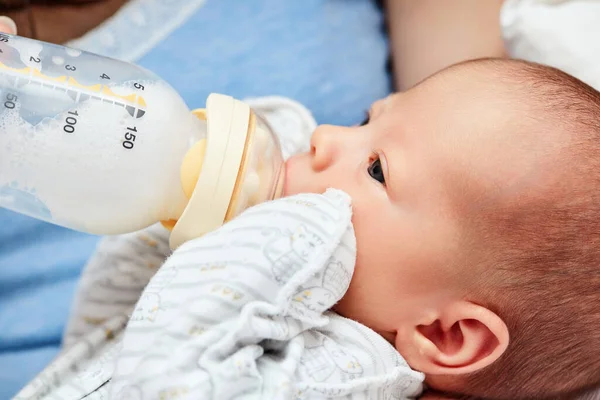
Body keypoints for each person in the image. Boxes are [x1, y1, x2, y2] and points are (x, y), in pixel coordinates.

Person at [14, 58, 600, 400]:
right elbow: (117, 324)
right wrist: (188, 194)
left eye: (376, 168)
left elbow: (167, 385)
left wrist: (281, 231)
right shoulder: (283, 306)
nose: (324, 138)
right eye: (365, 121)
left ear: (445, 335)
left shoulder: (344, 374)